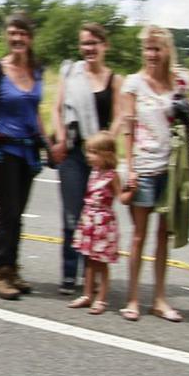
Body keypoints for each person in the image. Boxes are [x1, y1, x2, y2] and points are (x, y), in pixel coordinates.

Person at [119, 25, 189, 322]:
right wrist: (130, 168)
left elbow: (187, 122)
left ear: (167, 51)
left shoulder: (180, 82)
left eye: (156, 48)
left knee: (164, 235)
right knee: (139, 236)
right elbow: (127, 128)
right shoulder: (133, 84)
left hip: (170, 168)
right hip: (144, 167)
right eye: (147, 48)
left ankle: (159, 299)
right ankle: (133, 298)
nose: (151, 54)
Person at [0, 12, 46, 300]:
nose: (17, 38)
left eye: (22, 34)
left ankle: (12, 268)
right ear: (7, 36)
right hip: (3, 152)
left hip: (28, 151)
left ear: (30, 38)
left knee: (18, 214)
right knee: (8, 212)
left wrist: (48, 143)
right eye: (12, 33)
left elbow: (35, 112)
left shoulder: (37, 71)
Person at [51, 23, 122, 296]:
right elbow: (57, 110)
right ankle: (70, 274)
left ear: (105, 45)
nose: (89, 48)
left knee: (97, 215)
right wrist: (59, 139)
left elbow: (119, 116)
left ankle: (91, 278)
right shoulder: (71, 72)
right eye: (85, 44)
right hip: (73, 153)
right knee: (72, 216)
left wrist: (106, 143)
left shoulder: (114, 79)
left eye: (94, 43)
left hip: (100, 158)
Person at [68, 132, 126, 313]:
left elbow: (122, 197)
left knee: (101, 263)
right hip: (90, 220)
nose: (88, 156)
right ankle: (87, 294)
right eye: (88, 152)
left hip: (103, 223)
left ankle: (101, 298)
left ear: (107, 154)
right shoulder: (94, 172)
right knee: (89, 260)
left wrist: (132, 188)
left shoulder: (111, 176)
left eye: (93, 152)